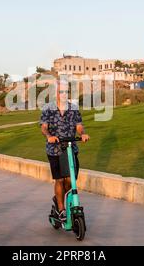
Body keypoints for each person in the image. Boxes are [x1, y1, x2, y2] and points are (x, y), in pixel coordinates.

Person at [40, 79, 90, 222]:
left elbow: (79, 126)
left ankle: (58, 199)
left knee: (70, 180)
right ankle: (61, 210)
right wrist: (49, 136)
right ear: (55, 92)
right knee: (60, 180)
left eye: (65, 91)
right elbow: (44, 127)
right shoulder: (48, 108)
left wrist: (82, 134)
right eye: (60, 91)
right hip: (54, 150)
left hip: (70, 148)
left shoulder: (73, 108)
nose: (63, 94)